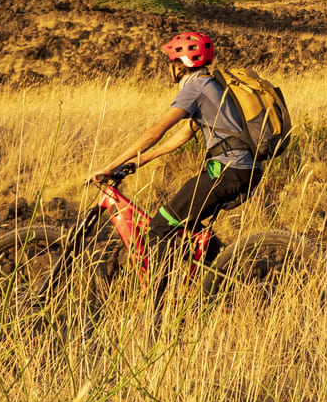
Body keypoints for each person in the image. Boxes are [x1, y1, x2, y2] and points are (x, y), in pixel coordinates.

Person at [88, 29, 262, 250]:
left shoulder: (196, 88)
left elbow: (156, 132)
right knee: (186, 223)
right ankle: (222, 269)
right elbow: (182, 135)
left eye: (170, 61)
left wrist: (110, 166)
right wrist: (138, 162)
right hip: (243, 169)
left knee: (159, 227)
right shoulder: (211, 85)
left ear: (181, 64)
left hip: (228, 169)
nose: (168, 67)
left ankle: (157, 285)